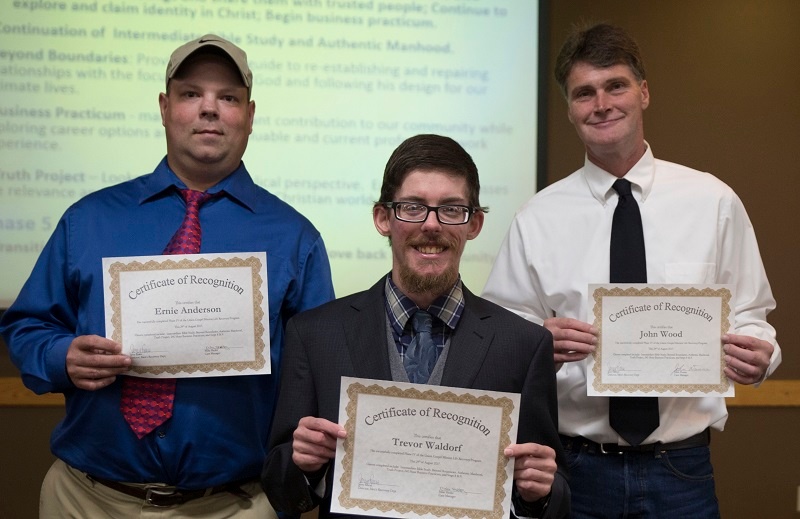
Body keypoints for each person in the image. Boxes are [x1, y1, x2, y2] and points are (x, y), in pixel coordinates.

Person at [0, 34, 334, 517]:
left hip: (236, 505)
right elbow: (26, 327)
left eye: (229, 98)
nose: (209, 109)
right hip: (87, 500)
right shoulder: (89, 219)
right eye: (191, 94)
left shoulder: (294, 238)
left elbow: (316, 375)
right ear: (164, 107)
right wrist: (60, 357)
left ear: (250, 115)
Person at [482, 23, 781, 518]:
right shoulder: (536, 218)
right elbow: (500, 338)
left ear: (643, 92)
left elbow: (751, 314)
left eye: (615, 85)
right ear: (570, 109)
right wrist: (538, 344)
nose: (601, 103)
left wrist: (761, 354)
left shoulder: (714, 202)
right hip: (576, 469)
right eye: (584, 93)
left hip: (681, 469)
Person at [261, 134, 570, 519]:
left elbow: (554, 493)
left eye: (452, 209)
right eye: (413, 207)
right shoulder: (315, 334)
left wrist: (536, 495)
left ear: (474, 224)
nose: (432, 224)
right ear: (382, 218)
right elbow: (279, 486)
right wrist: (304, 465)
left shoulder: (524, 344)